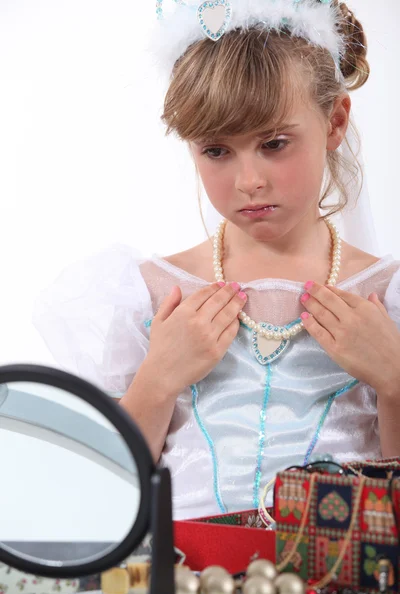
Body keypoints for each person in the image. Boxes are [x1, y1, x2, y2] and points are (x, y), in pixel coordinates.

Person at [33, 0, 400, 521]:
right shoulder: (153, 297)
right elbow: (100, 497)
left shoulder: (386, 298)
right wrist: (157, 381)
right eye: (217, 151)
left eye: (274, 143)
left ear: (336, 121)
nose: (249, 181)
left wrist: (395, 380)